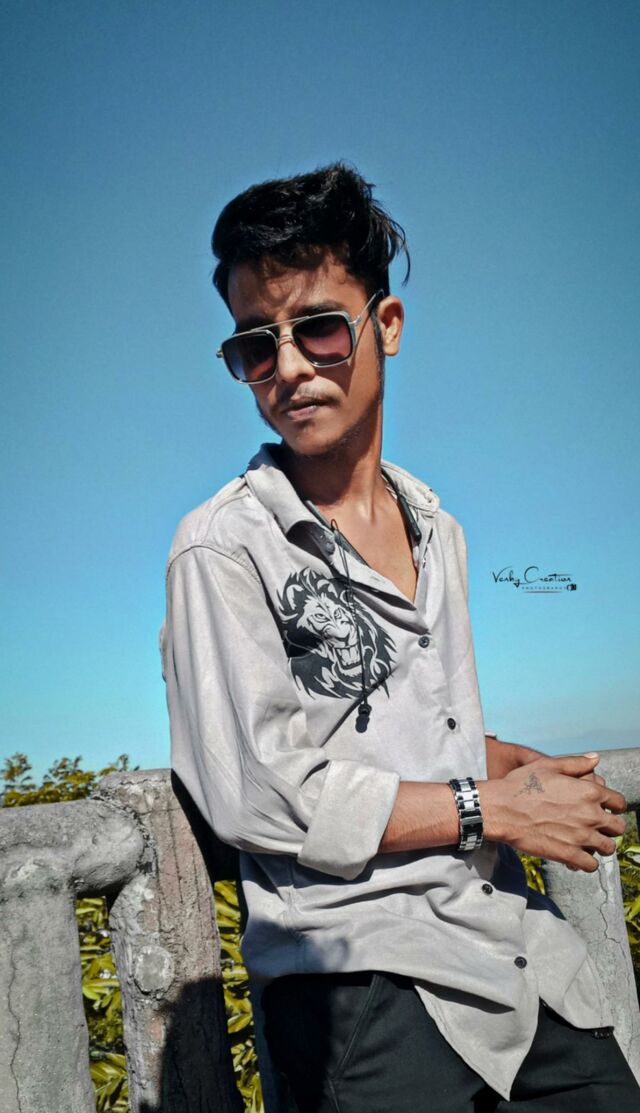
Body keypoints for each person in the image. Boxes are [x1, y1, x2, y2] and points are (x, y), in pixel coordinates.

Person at [162, 162, 639, 1111]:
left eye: (318, 328)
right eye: (256, 344)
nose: (288, 368)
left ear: (386, 324)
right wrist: (492, 807)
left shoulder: (437, 527)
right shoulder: (222, 547)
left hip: (508, 948)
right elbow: (260, 794)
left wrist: (509, 764)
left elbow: (402, 727)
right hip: (357, 983)